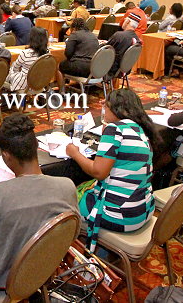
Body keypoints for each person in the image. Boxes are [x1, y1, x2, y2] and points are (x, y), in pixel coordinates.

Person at [0, 114, 78, 292]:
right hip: (43, 270)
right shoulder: (67, 186)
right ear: (36, 147)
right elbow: (72, 235)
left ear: (6, 156)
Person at [66, 89, 157, 251]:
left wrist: (75, 153)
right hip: (143, 210)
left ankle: (75, 251)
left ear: (116, 109)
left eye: (105, 107)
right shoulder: (140, 129)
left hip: (120, 215)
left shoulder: (115, 129)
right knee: (88, 187)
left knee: (68, 199)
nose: (103, 111)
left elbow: (98, 173)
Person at [56, 17, 99, 92]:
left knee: (59, 66)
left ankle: (61, 92)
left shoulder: (75, 34)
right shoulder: (93, 35)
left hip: (81, 68)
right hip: (94, 68)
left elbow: (68, 54)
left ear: (73, 28)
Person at [5, 27, 49, 91]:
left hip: (24, 84)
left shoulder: (25, 53)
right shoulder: (48, 53)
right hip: (39, 82)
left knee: (10, 69)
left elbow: (15, 69)